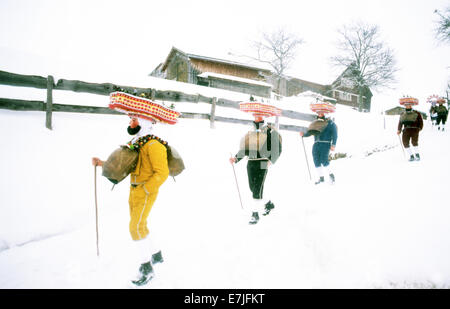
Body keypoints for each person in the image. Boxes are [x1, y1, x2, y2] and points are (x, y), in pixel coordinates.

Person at [92, 115, 169, 286]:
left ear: (143, 122)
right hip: (134, 190)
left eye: (134, 120)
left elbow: (162, 173)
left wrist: (146, 188)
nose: (130, 123)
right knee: (141, 225)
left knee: (134, 227)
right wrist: (101, 164)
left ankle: (147, 269)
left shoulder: (155, 145)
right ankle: (157, 255)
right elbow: (123, 164)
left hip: (145, 191)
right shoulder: (137, 143)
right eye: (131, 120)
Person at [229, 114, 282, 225]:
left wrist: (270, 160)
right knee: (253, 189)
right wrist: (236, 158)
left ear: (263, 118)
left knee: (257, 188)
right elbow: (244, 150)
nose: (256, 119)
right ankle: (268, 204)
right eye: (255, 117)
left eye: (259, 117)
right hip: (251, 163)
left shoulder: (270, 131)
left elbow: (277, 148)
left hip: (263, 162)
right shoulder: (250, 134)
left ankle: (255, 214)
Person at [300, 112, 338, 185]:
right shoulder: (316, 122)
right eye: (318, 113)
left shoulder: (330, 123)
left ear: (326, 113)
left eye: (321, 113)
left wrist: (333, 144)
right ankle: (321, 178)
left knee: (324, 160)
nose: (319, 114)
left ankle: (331, 176)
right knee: (316, 161)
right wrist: (304, 135)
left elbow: (335, 134)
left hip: (325, 143)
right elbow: (311, 132)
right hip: (316, 144)